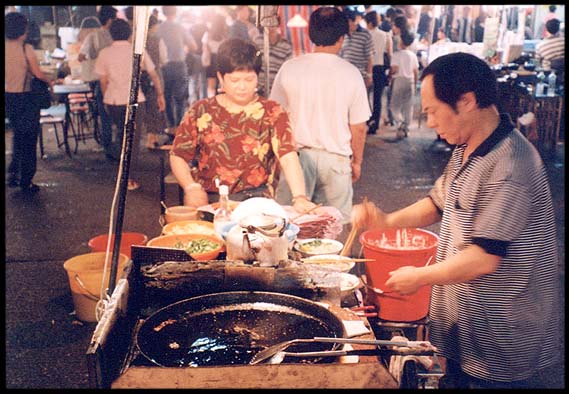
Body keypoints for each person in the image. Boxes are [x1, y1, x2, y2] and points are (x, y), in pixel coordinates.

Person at [351, 52, 561, 389]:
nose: (430, 123)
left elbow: (485, 257)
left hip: (502, 337)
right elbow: (437, 203)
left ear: (466, 101)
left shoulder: (510, 165)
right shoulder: (468, 147)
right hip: (469, 326)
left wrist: (420, 276)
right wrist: (385, 220)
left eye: (432, 111)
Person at [169, 38, 316, 214]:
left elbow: (288, 155)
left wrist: (299, 197)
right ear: (220, 77)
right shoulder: (201, 110)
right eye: (235, 80)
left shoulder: (272, 111)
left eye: (249, 79)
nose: (242, 87)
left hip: (256, 203)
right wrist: (190, 187)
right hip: (209, 201)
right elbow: (178, 154)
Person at [270, 7, 371, 223]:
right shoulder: (351, 74)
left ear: (311, 34)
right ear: (342, 38)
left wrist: (277, 161)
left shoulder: (289, 68)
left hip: (296, 159)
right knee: (332, 228)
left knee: (290, 225)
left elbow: (275, 117)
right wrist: (357, 162)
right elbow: (358, 127)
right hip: (336, 161)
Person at [94, 19, 166, 191]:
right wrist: (160, 94)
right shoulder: (137, 51)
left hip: (113, 101)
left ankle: (123, 173)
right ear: (130, 34)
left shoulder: (104, 53)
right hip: (134, 100)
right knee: (132, 141)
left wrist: (106, 98)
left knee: (122, 134)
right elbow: (153, 74)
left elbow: (103, 81)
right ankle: (128, 178)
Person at [5, 11, 53, 194]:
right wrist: (50, 82)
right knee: (29, 139)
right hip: (25, 99)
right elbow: (37, 73)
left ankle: (13, 174)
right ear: (22, 29)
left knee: (18, 135)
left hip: (9, 98)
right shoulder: (26, 49)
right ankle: (26, 180)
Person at [77, 5, 117, 160]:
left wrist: (92, 58)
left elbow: (80, 57)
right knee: (119, 116)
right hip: (117, 80)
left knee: (105, 115)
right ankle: (119, 147)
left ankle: (108, 148)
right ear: (110, 20)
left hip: (100, 81)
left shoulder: (93, 37)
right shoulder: (118, 36)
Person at [155, 6, 197, 133]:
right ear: (175, 12)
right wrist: (184, 49)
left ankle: (171, 125)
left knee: (166, 96)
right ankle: (179, 125)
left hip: (164, 67)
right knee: (180, 98)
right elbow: (193, 46)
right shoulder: (180, 27)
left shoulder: (159, 29)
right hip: (179, 65)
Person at [364, 10, 391, 135]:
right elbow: (389, 53)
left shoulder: (365, 35)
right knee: (377, 98)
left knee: (365, 96)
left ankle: (367, 118)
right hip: (380, 68)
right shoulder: (385, 35)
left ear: (368, 22)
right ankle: (375, 123)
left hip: (367, 68)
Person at [143, 14, 168, 148]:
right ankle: (151, 138)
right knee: (155, 106)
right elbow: (164, 59)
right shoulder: (158, 40)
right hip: (154, 76)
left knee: (145, 108)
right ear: (153, 26)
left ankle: (149, 137)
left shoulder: (136, 41)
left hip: (140, 78)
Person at [253, 15, 293, 97]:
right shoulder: (257, 41)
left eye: (273, 23)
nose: (270, 27)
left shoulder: (286, 45)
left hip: (276, 88)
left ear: (278, 24)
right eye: (268, 23)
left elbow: (288, 68)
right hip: (258, 88)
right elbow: (252, 63)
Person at [388, 31, 418, 139]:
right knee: (408, 106)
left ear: (401, 41)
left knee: (394, 105)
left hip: (399, 80)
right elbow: (415, 71)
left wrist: (389, 75)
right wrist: (415, 82)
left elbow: (394, 69)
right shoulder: (413, 55)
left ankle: (400, 122)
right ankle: (406, 127)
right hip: (410, 81)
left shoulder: (397, 55)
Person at [340, 8, 374, 90]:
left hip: (360, 75)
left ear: (352, 21)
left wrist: (369, 76)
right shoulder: (343, 35)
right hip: (344, 76)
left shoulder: (365, 34)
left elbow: (370, 57)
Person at [201, 12, 229, 98]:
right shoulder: (225, 36)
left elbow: (204, 48)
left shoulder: (208, 34)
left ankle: (211, 103)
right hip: (222, 60)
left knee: (211, 87)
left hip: (211, 61)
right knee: (221, 85)